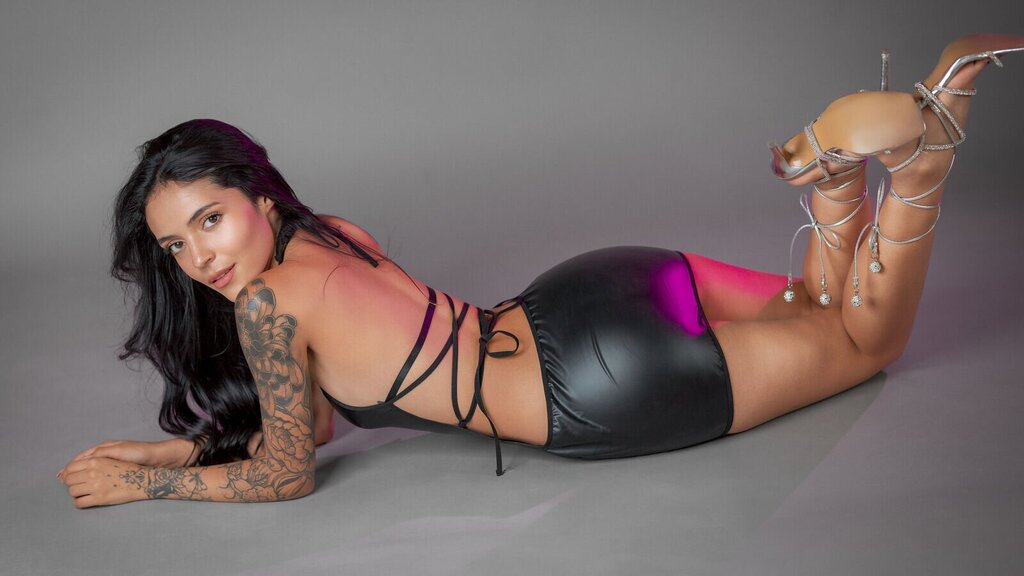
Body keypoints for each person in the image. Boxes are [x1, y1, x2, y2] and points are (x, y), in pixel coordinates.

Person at [59, 34, 1024, 508]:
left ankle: (920, 161)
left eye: (210, 221)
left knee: (865, 341)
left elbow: (286, 471)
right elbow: (308, 421)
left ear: (257, 201)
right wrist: (168, 449)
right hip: (590, 291)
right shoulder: (331, 232)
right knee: (812, 304)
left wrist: (148, 484)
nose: (201, 259)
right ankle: (834, 171)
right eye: (177, 247)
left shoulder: (268, 309)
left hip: (603, 385)